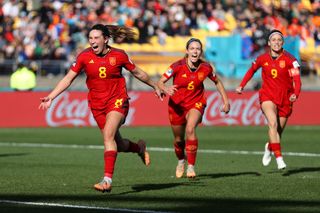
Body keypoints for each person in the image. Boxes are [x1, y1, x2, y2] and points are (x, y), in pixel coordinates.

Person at [39, 24, 162, 193]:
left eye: (96, 38)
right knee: (117, 144)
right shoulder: (84, 56)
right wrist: (51, 96)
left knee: (108, 136)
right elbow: (68, 78)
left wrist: (155, 85)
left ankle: (106, 180)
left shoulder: (119, 55)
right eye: (90, 38)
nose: (92, 41)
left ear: (105, 39)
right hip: (97, 105)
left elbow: (138, 73)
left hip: (118, 100)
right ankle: (139, 148)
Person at [157, 38, 230, 179]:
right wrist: (165, 88)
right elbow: (160, 81)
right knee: (178, 140)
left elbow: (218, 82)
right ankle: (180, 161)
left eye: (198, 49)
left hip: (196, 102)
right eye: (192, 49)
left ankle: (191, 166)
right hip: (176, 105)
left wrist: (225, 101)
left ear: (201, 52)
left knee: (190, 129)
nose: (195, 51)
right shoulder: (177, 66)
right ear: (187, 51)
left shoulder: (206, 67)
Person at [236, 29, 302, 170]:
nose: (276, 42)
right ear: (269, 43)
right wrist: (242, 85)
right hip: (267, 96)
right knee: (272, 124)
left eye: (279, 40)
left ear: (282, 43)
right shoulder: (262, 59)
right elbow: (251, 71)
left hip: (285, 98)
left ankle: (269, 147)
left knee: (278, 131)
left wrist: (295, 94)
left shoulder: (291, 60)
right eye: (274, 40)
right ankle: (279, 159)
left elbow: (297, 80)